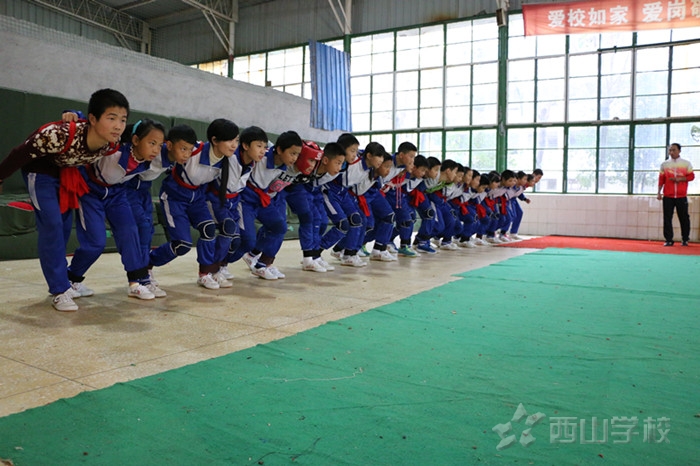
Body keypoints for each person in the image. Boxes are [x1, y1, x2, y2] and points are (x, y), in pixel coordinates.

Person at [0, 88, 129, 312]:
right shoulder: (56, 135)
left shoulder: (111, 144)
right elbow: (19, 153)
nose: (118, 126)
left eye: (123, 119)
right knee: (51, 225)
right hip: (39, 173)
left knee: (63, 228)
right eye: (111, 118)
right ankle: (59, 291)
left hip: (67, 174)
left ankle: (66, 282)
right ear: (93, 119)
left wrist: (75, 112)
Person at [68, 119, 167, 301]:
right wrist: (75, 115)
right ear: (135, 140)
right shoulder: (112, 148)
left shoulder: (147, 160)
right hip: (90, 193)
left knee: (130, 232)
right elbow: (90, 129)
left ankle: (135, 283)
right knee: (96, 243)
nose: (156, 150)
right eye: (152, 143)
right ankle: (71, 279)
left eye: (160, 145)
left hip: (116, 194)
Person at [149, 119, 241, 287]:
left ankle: (206, 273)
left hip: (197, 199)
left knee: (209, 228)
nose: (234, 145)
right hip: (174, 197)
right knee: (182, 245)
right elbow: (164, 154)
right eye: (229, 140)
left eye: (236, 140)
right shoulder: (193, 150)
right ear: (214, 140)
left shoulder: (229, 160)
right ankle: (147, 263)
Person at [233, 128, 301, 279]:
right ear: (279, 149)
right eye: (292, 153)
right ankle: (220, 266)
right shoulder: (260, 157)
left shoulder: (285, 167)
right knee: (248, 240)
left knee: (279, 226)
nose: (295, 158)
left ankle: (262, 265)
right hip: (245, 201)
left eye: (297, 154)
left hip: (262, 201)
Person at [657, 143, 694, 246]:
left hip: (681, 196)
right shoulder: (664, 164)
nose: (671, 152)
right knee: (667, 218)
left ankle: (685, 239)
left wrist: (681, 179)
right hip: (668, 196)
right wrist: (659, 192)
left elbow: (691, 177)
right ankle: (668, 239)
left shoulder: (686, 163)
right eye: (670, 150)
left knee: (684, 217)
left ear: (679, 151)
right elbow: (661, 179)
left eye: (674, 150)